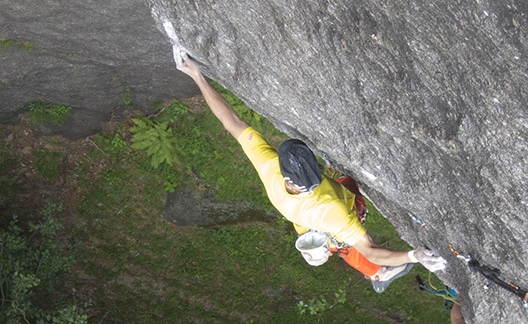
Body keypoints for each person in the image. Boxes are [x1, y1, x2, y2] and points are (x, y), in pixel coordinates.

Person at [173, 47, 446, 292]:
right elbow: (372, 251)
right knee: (354, 232)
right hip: (328, 218)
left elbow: (231, 122)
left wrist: (196, 76)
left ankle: (371, 273)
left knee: (344, 246)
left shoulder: (268, 165)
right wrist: (414, 256)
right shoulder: (332, 211)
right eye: (314, 179)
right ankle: (377, 276)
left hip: (305, 226)